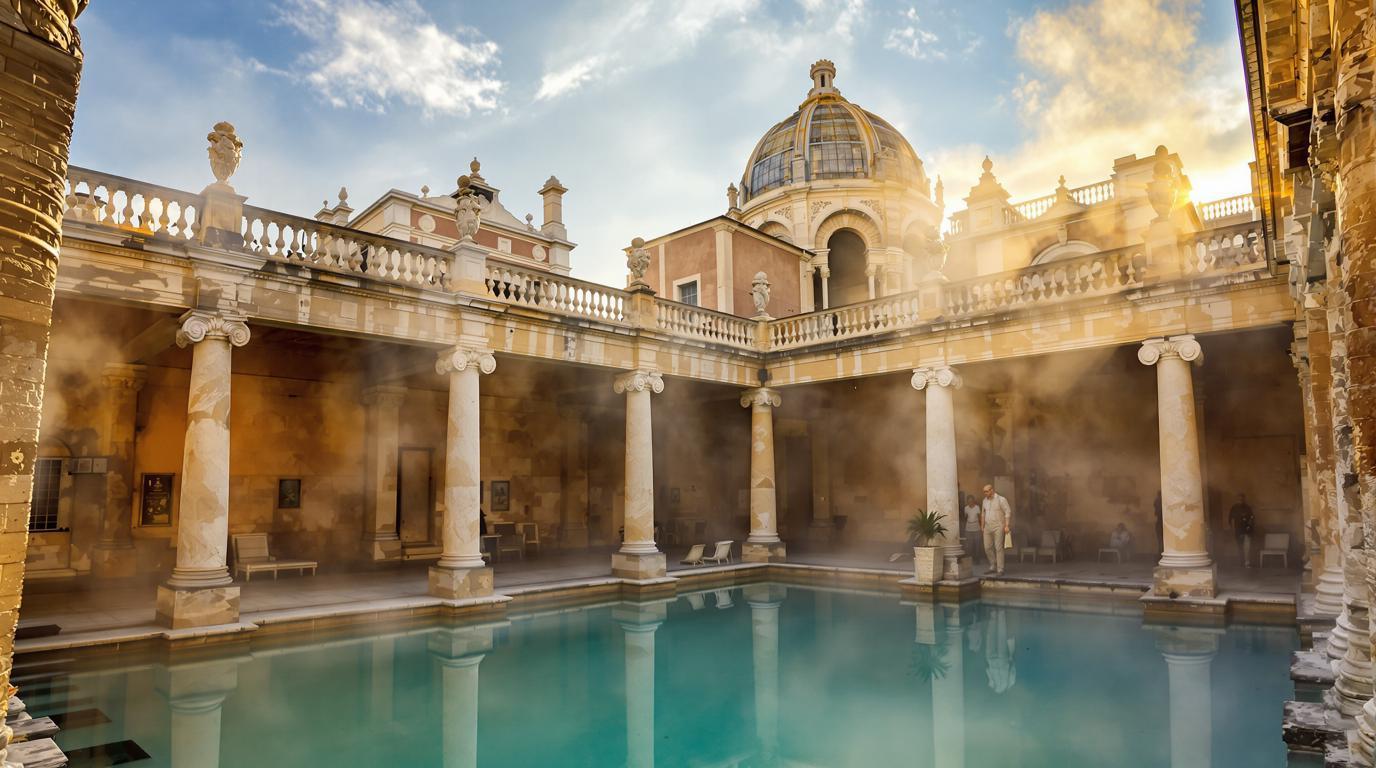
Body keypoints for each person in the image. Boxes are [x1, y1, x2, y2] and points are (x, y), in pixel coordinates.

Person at [980, 484, 1012, 575]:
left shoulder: (1001, 499)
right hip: (987, 527)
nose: (985, 493)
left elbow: (1008, 511)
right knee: (987, 547)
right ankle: (992, 565)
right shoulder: (984, 501)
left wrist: (1007, 525)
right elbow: (983, 514)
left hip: (998, 526)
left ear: (992, 490)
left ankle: (1000, 569)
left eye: (986, 491)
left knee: (998, 547)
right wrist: (982, 526)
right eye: (984, 492)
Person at [1229, 493, 1256, 567]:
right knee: (1239, 547)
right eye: (1239, 498)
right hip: (1238, 531)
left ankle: (1247, 562)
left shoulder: (1248, 508)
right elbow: (1231, 520)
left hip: (1247, 531)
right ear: (1237, 499)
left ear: (1244, 499)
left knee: (1247, 547)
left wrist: (1249, 527)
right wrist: (1233, 530)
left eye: (1242, 498)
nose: (1240, 500)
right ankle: (1240, 562)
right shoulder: (1234, 508)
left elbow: (1251, 518)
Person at [963, 494, 982, 563]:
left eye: (971, 501)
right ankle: (970, 559)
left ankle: (977, 559)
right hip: (968, 528)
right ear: (967, 502)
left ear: (974, 501)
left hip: (976, 527)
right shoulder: (966, 508)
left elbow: (980, 517)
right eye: (969, 501)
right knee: (969, 545)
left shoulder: (977, 507)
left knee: (977, 544)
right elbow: (965, 517)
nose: (970, 502)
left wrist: (982, 527)